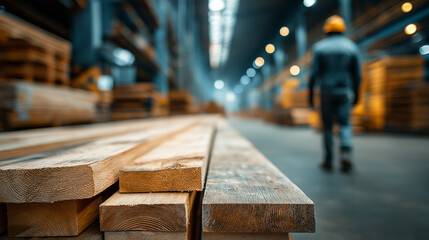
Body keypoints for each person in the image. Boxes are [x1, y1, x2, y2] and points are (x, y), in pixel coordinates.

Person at [308, 15, 361, 172]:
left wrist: (310, 96)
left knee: (328, 127)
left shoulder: (319, 48)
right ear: (343, 29)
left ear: (326, 31)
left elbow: (313, 74)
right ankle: (345, 155)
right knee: (345, 124)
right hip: (344, 92)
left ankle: (328, 160)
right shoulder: (351, 47)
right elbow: (357, 75)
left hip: (326, 93)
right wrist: (357, 94)